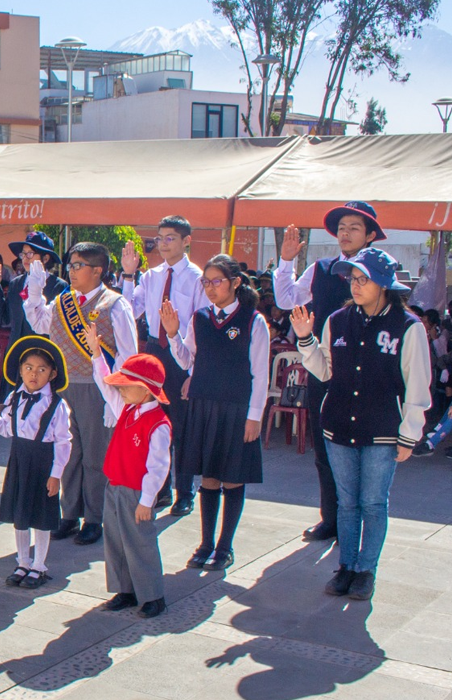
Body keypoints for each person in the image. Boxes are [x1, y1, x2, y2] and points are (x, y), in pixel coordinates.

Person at [289, 247, 430, 601]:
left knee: (373, 503)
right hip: (339, 426)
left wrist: (409, 434)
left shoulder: (408, 327)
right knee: (347, 503)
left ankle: (366, 570)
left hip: (382, 430)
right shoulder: (337, 320)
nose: (355, 285)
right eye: (352, 278)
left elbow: (418, 385)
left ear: (383, 284)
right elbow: (324, 371)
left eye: (363, 279)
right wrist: (305, 338)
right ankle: (346, 567)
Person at [274, 200, 386, 543]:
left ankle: (359, 523)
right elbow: (286, 299)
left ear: (369, 235)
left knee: (365, 451)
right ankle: (331, 519)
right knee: (324, 447)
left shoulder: (381, 271)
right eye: (341, 228)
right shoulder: (322, 269)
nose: (345, 234)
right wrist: (286, 261)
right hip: (324, 369)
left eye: (354, 228)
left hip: (367, 373)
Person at [23, 242, 138, 546]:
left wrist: (118, 398)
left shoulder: (115, 304)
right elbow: (39, 323)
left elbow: (128, 354)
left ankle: (95, 517)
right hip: (64, 387)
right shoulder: (63, 301)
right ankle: (70, 513)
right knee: (68, 454)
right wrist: (35, 293)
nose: (71, 271)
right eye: (70, 266)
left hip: (98, 388)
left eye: (78, 266)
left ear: (97, 270)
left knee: (95, 457)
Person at [163, 255, 270, 572]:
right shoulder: (200, 318)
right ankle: (205, 544)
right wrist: (172, 334)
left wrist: (254, 416)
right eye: (206, 282)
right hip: (204, 405)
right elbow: (187, 361)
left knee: (232, 478)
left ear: (235, 283)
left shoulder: (253, 321)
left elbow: (260, 374)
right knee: (208, 477)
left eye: (217, 281)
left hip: (237, 409)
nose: (210, 288)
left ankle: (225, 547)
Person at [120, 215, 210, 517]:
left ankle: (184, 492)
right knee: (152, 422)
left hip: (182, 353)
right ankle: (158, 489)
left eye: (170, 238)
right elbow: (130, 310)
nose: (163, 244)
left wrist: (193, 373)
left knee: (182, 427)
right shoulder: (151, 276)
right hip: (155, 351)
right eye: (159, 238)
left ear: (186, 241)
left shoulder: (197, 278)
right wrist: (129, 275)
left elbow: (201, 326)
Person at [0, 335, 72, 590]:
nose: (34, 374)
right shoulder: (14, 398)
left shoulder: (57, 405)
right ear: (20, 371)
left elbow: (64, 442)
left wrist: (56, 474)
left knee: (40, 516)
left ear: (52, 374)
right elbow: (5, 429)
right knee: (20, 514)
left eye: (41, 370)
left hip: (43, 462)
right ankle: (23, 562)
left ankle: (39, 565)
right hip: (19, 459)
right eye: (28, 368)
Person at [89, 341, 172, 620]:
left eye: (126, 386)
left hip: (137, 493)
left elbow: (158, 467)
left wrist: (147, 501)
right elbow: (104, 385)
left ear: (146, 390)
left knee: (139, 543)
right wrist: (96, 355)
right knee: (115, 541)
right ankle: (125, 590)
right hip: (114, 486)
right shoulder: (126, 408)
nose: (120, 390)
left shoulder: (158, 423)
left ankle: (153, 596)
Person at [0, 231, 69, 388]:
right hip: (16, 353)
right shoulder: (16, 284)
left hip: (41, 354)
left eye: (30, 254)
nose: (25, 258)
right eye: (23, 254)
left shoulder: (58, 286)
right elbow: (5, 318)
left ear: (45, 258)